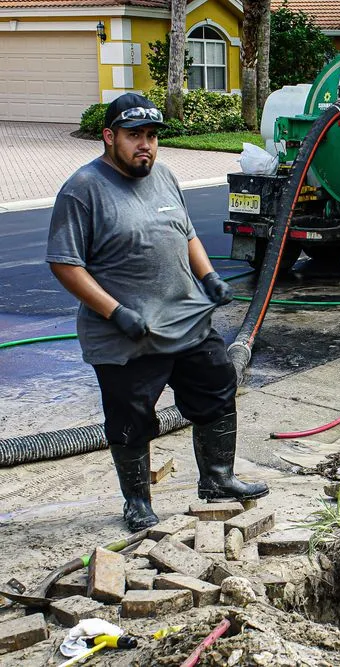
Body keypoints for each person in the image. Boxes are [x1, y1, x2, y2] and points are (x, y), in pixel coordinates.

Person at [46, 93, 268, 532]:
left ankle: (218, 479)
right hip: (126, 335)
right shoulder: (83, 189)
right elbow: (65, 263)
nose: (145, 144)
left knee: (217, 388)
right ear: (109, 137)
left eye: (151, 135)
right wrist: (115, 312)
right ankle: (137, 503)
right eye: (134, 135)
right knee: (131, 419)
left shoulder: (164, 176)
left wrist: (208, 277)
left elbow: (187, 234)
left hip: (185, 319)